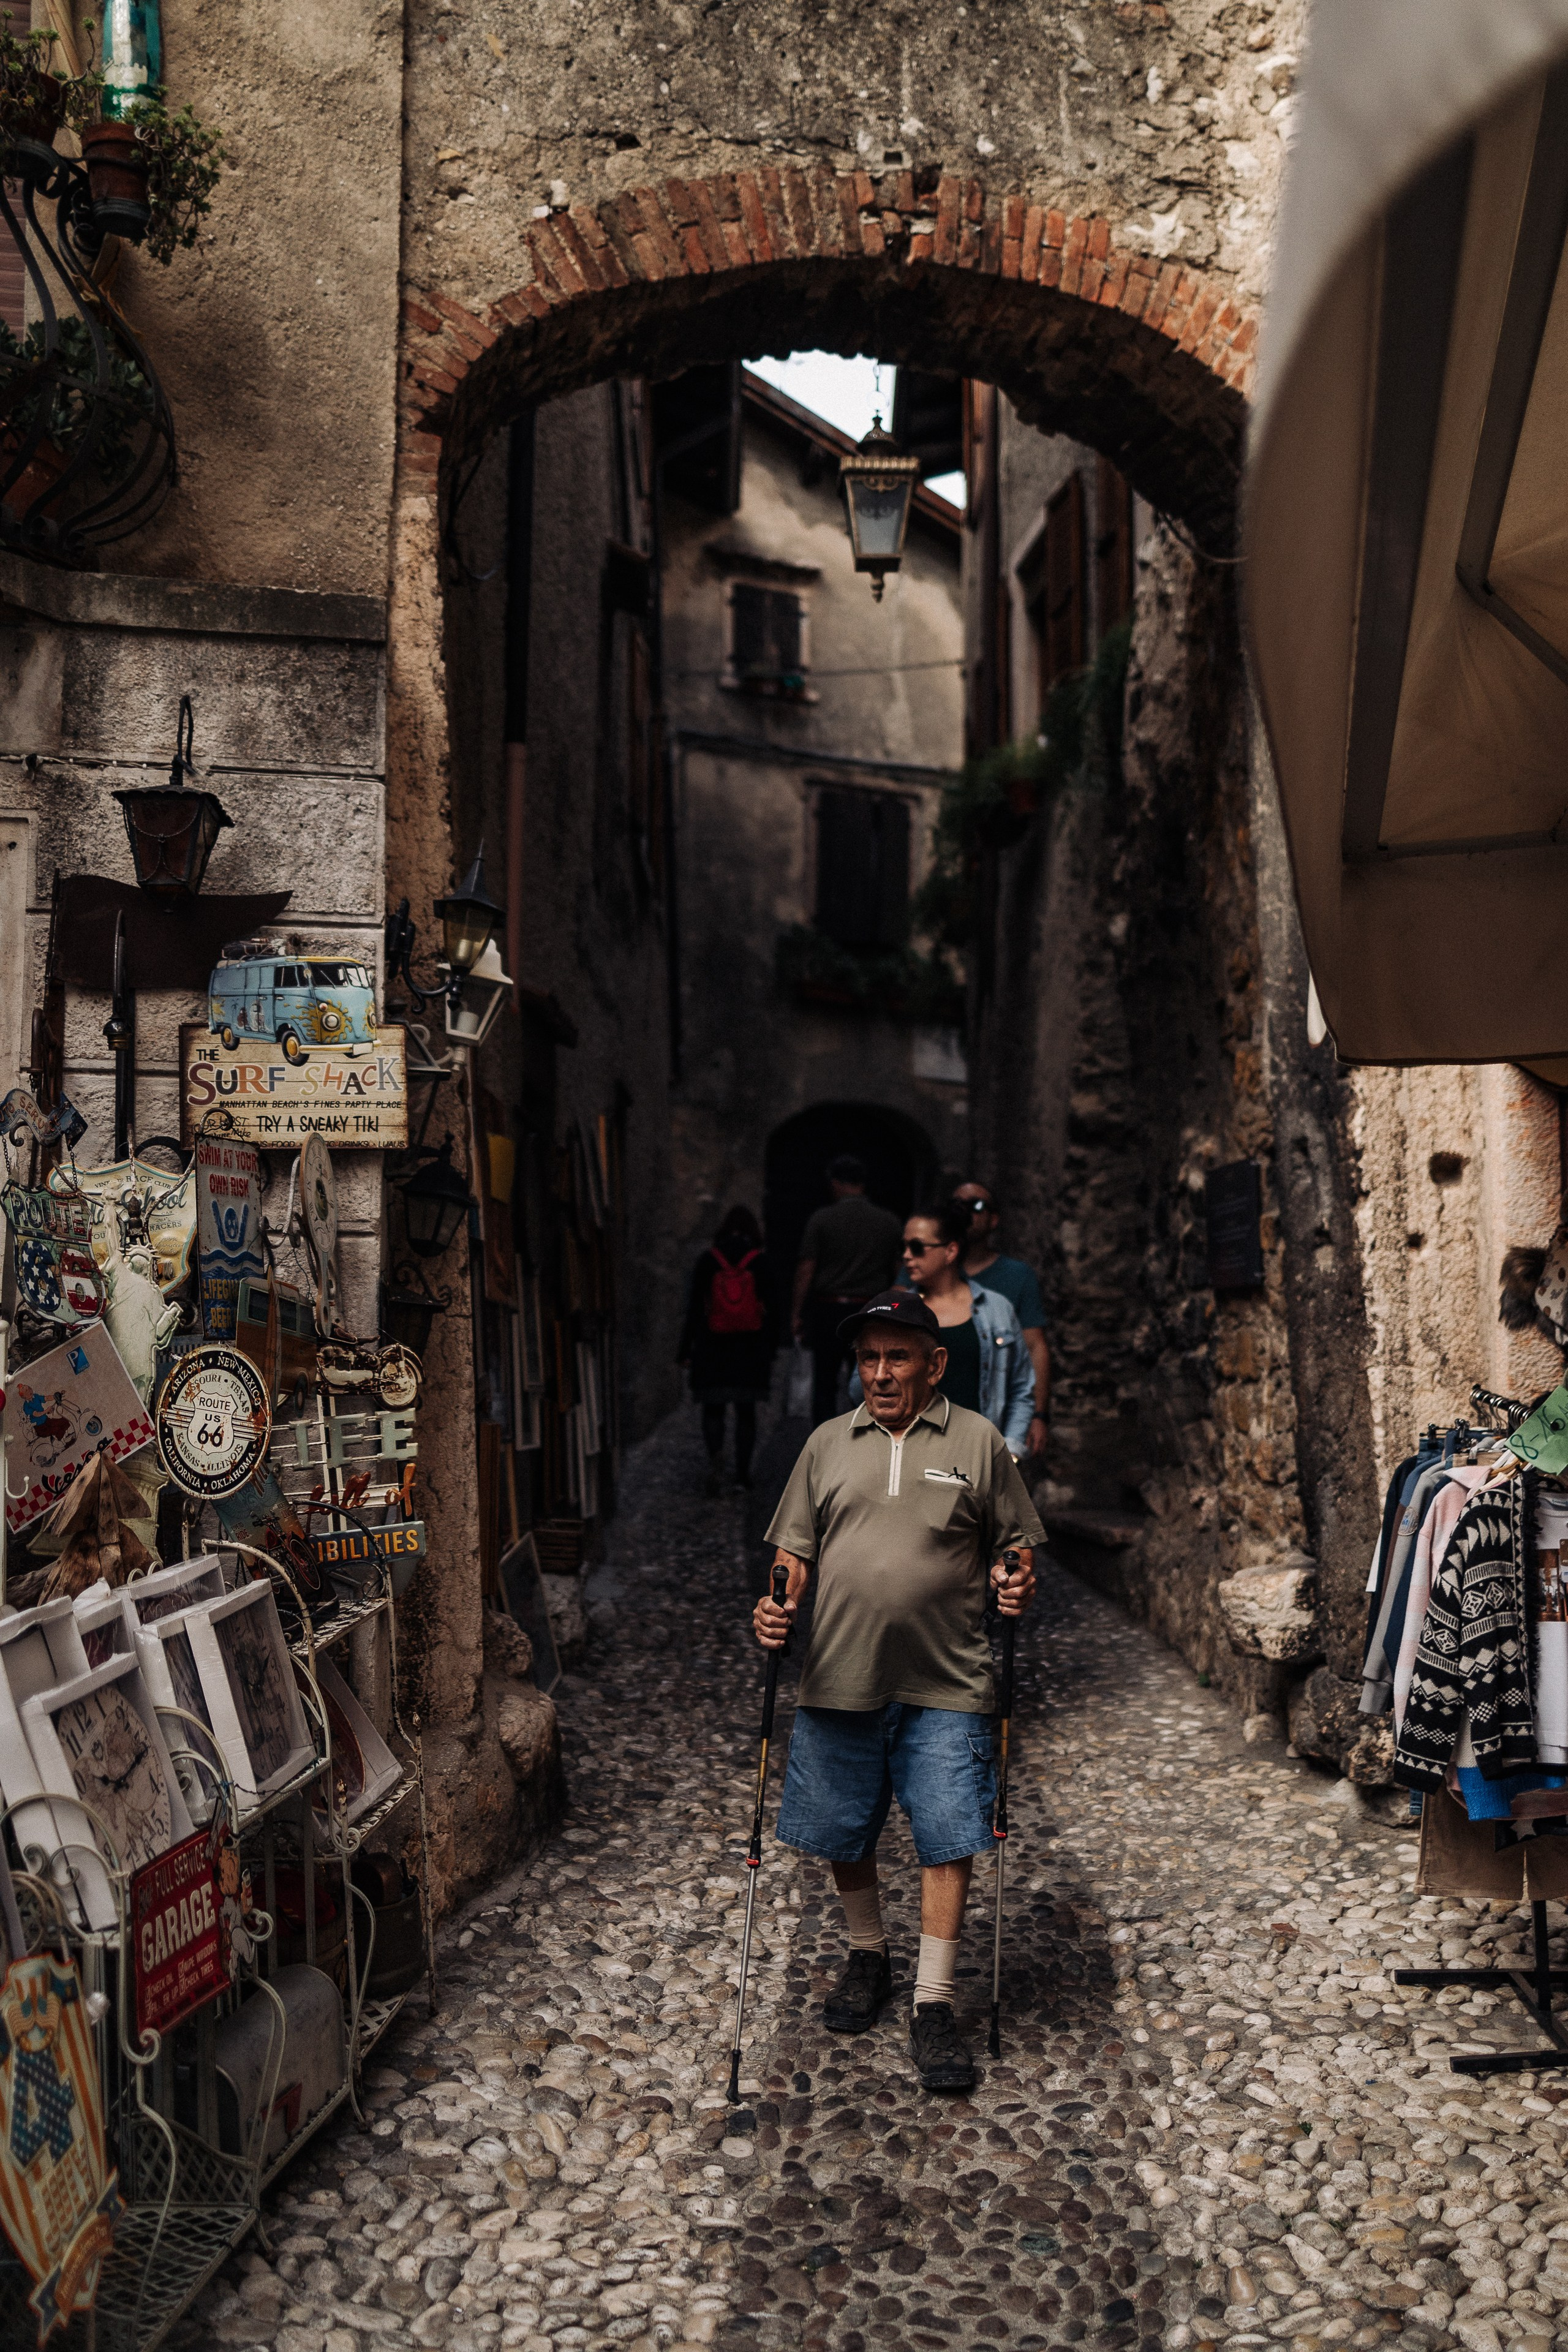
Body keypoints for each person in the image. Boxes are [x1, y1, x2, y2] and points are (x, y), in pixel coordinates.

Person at [755, 1289, 1042, 2090]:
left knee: (949, 1833)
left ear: (935, 1363)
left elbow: (1016, 1547)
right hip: (840, 1676)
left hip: (949, 1680)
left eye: (898, 1357)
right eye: (868, 1359)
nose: (880, 1374)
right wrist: (776, 1605)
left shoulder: (980, 1443)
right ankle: (868, 1954)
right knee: (842, 1829)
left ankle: (933, 2002)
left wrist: (1013, 1582)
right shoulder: (825, 1446)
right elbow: (793, 1554)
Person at [898, 1202, 1035, 1455]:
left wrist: (1011, 1451)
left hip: (977, 1456)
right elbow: (862, 1385)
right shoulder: (898, 1310)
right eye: (904, 1247)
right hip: (911, 1454)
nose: (906, 1255)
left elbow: (1021, 1386)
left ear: (951, 1251)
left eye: (916, 1247)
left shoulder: (997, 1309)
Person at [791, 1155, 903, 1427]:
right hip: (870, 1311)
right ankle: (867, 1439)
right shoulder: (888, 1221)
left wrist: (796, 1312)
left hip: (829, 1308)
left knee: (825, 1383)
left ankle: (825, 1445)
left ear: (836, 1183)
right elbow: (899, 1269)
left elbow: (807, 1268)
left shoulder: (823, 1219)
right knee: (870, 1379)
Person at [677, 1205, 778, 1494]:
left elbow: (694, 1309)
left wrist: (685, 1350)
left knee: (713, 1409)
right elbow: (774, 1310)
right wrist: (770, 1350)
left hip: (713, 1346)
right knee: (746, 1411)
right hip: (750, 1348)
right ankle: (743, 1475)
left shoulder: (708, 1261)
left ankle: (715, 1463)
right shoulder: (761, 1262)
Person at [954, 1181, 1050, 1461]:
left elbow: (1035, 1347)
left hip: (994, 1423)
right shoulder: (926, 1271)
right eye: (957, 1205)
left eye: (977, 1206)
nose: (966, 1213)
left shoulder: (1016, 1277)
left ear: (994, 1219)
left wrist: (1039, 1415)